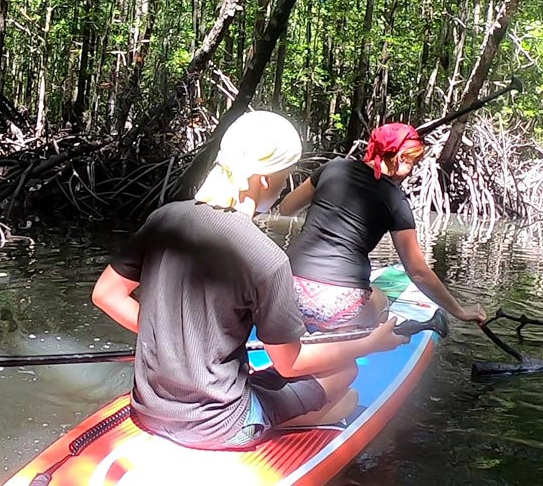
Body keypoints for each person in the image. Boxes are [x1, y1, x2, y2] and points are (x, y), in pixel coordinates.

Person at [92, 111, 408, 451]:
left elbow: (107, 294)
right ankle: (302, 418)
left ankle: (309, 412)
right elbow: (291, 364)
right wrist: (370, 344)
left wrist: (169, 337)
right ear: (263, 180)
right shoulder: (267, 257)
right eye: (285, 176)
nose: (286, 185)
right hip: (221, 427)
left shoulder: (163, 219)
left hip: (148, 409)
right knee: (344, 373)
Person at [277, 122, 487, 331]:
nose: (412, 170)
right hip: (339, 302)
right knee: (381, 300)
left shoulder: (333, 168)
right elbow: (418, 272)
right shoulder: (396, 200)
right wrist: (459, 311)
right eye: (413, 162)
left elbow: (286, 208)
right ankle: (345, 335)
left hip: (286, 289)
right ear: (400, 158)